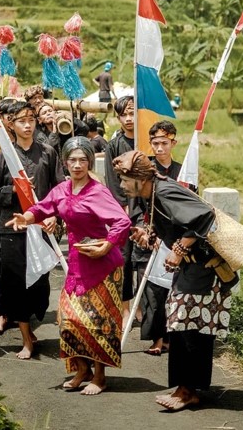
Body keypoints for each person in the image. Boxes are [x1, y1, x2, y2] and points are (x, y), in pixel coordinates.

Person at [113, 150, 238, 412]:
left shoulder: (165, 191)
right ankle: (185, 388)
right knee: (182, 327)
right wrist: (148, 235)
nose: (122, 185)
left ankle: (188, 391)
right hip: (191, 270)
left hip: (204, 270)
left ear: (140, 179)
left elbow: (205, 216)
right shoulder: (151, 195)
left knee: (188, 328)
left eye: (125, 179)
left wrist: (179, 249)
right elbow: (175, 224)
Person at [7, 137, 131, 395]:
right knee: (68, 319)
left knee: (98, 321)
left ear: (89, 162)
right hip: (77, 262)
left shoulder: (97, 192)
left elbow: (122, 221)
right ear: (64, 162)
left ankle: (100, 376)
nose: (77, 165)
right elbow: (42, 208)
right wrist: (25, 218)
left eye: (82, 160)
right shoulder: (62, 189)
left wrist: (106, 245)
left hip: (103, 266)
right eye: (72, 160)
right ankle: (82, 369)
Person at [0, 101, 64, 358]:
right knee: (17, 284)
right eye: (22, 121)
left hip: (41, 228)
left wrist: (54, 215)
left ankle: (30, 323)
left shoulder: (48, 153)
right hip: (13, 227)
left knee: (40, 285)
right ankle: (26, 338)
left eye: (31, 120)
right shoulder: (4, 157)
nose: (28, 125)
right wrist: (14, 189)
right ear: (11, 125)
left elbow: (59, 189)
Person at [132, 121, 181, 356]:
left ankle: (172, 336)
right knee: (152, 292)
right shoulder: (145, 170)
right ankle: (157, 338)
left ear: (173, 143)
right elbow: (135, 206)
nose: (159, 148)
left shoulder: (183, 171)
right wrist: (145, 231)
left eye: (164, 143)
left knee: (174, 289)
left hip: (175, 240)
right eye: (155, 143)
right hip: (150, 238)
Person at [104, 96, 135, 326]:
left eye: (132, 113)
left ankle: (142, 307)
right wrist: (122, 206)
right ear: (118, 117)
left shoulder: (147, 140)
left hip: (147, 207)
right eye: (124, 114)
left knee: (143, 259)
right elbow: (112, 180)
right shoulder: (114, 145)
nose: (129, 119)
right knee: (124, 259)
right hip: (124, 209)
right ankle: (125, 308)